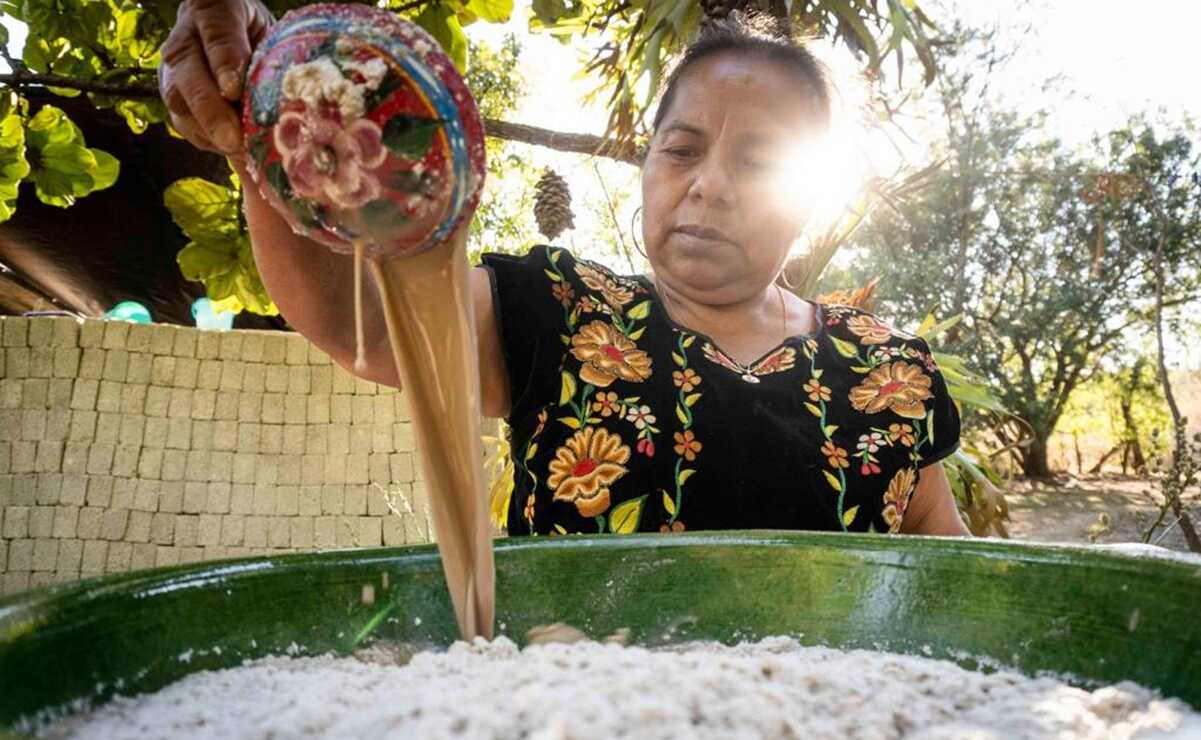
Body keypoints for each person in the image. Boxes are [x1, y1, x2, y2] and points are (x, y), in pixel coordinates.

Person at [159, 0, 971, 538]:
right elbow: (356, 321)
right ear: (648, 166)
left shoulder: (888, 371)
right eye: (681, 148)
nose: (709, 183)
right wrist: (266, 125)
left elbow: (950, 580)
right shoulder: (562, 311)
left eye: (758, 163)